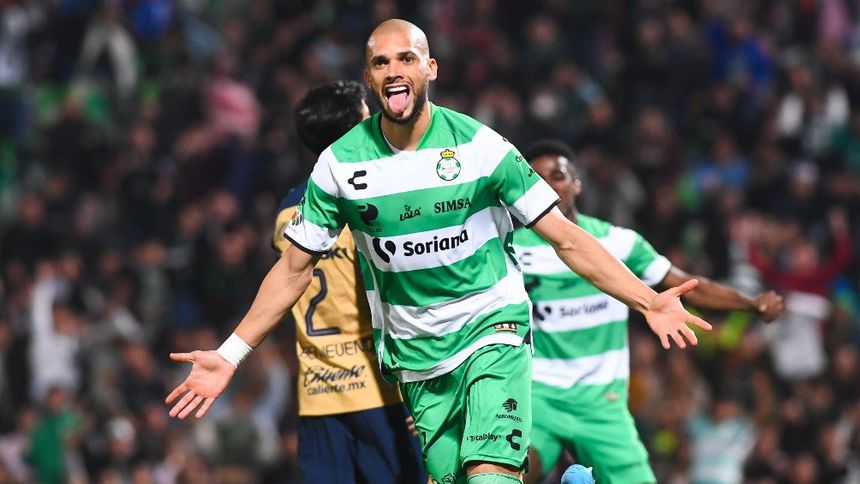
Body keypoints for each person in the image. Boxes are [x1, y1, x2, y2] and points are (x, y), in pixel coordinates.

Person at [166, 20, 712, 484]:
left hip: (492, 330)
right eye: (380, 63)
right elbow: (292, 270)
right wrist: (231, 354)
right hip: (415, 354)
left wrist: (648, 300)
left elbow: (566, 237)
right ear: (369, 78)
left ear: (431, 69)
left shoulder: (480, 147)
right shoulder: (339, 166)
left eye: (406, 58)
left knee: (490, 475)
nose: (393, 70)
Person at [511, 139, 784, 484]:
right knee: (510, 475)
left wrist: (750, 304)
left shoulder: (619, 242)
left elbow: (686, 284)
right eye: (538, 179)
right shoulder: (510, 247)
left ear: (576, 183)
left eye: (558, 175)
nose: (549, 186)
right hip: (537, 396)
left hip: (601, 401)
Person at [271, 80, 425, 483]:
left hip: (319, 395)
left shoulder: (287, 212)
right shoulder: (375, 203)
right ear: (353, 131)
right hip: (384, 392)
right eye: (366, 115)